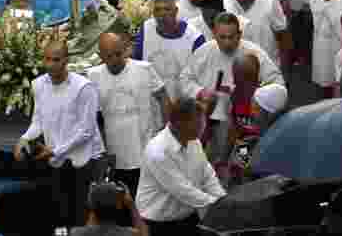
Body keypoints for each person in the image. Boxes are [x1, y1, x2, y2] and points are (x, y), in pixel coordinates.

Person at [15, 41, 105, 231]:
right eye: (47, 59)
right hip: (56, 160)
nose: (50, 64)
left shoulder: (84, 87)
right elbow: (38, 120)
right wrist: (23, 139)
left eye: (56, 60)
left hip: (86, 161)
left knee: (82, 217)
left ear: (66, 60)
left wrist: (55, 151)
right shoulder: (38, 84)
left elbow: (86, 131)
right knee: (58, 215)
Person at [181, 12, 282, 180]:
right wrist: (200, 92)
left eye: (231, 37)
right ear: (214, 34)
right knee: (212, 169)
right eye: (222, 37)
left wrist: (255, 95)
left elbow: (276, 83)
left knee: (243, 169)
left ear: (240, 34)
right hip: (213, 121)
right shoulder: (204, 52)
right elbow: (185, 79)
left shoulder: (254, 54)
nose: (227, 42)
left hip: (251, 125)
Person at [88, 33, 168, 196]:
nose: (115, 59)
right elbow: (94, 118)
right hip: (116, 154)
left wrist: (166, 131)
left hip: (145, 150)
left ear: (125, 50)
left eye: (119, 54)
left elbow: (163, 97)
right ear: (100, 56)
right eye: (109, 56)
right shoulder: (93, 76)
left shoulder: (143, 69)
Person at [135, 97, 225, 236]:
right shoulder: (158, 151)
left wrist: (222, 197)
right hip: (159, 225)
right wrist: (215, 204)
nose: (202, 127)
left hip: (187, 218)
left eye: (202, 122)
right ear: (178, 123)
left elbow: (207, 173)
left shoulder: (193, 140)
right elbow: (182, 190)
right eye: (197, 123)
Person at [133, 0, 206, 104]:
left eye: (167, 9)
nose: (162, 14)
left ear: (176, 11)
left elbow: (200, 79)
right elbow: (136, 65)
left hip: (184, 108)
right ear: (153, 12)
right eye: (158, 10)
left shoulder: (195, 39)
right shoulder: (145, 29)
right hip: (151, 105)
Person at [74, 180, 149, 236]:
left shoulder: (76, 233)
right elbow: (144, 233)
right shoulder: (129, 234)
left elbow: (88, 230)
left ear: (91, 205)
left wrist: (93, 200)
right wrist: (131, 204)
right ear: (119, 206)